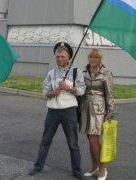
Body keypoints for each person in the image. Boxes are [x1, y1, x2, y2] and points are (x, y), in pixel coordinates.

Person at [29, 42, 86, 180]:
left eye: (62, 56)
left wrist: (68, 87)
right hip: (53, 112)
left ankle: (77, 171)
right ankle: (38, 166)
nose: (59, 59)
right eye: (57, 56)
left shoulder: (75, 72)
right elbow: (44, 92)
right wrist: (52, 93)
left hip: (69, 112)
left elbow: (82, 90)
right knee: (45, 140)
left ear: (69, 57)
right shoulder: (51, 73)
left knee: (73, 143)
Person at [79, 48, 115, 180]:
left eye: (96, 57)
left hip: (99, 110)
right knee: (90, 139)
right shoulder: (82, 72)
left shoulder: (106, 73)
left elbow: (110, 95)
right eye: (91, 57)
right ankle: (94, 166)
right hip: (84, 108)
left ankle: (102, 169)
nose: (93, 59)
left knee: (94, 140)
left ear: (100, 59)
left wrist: (110, 112)